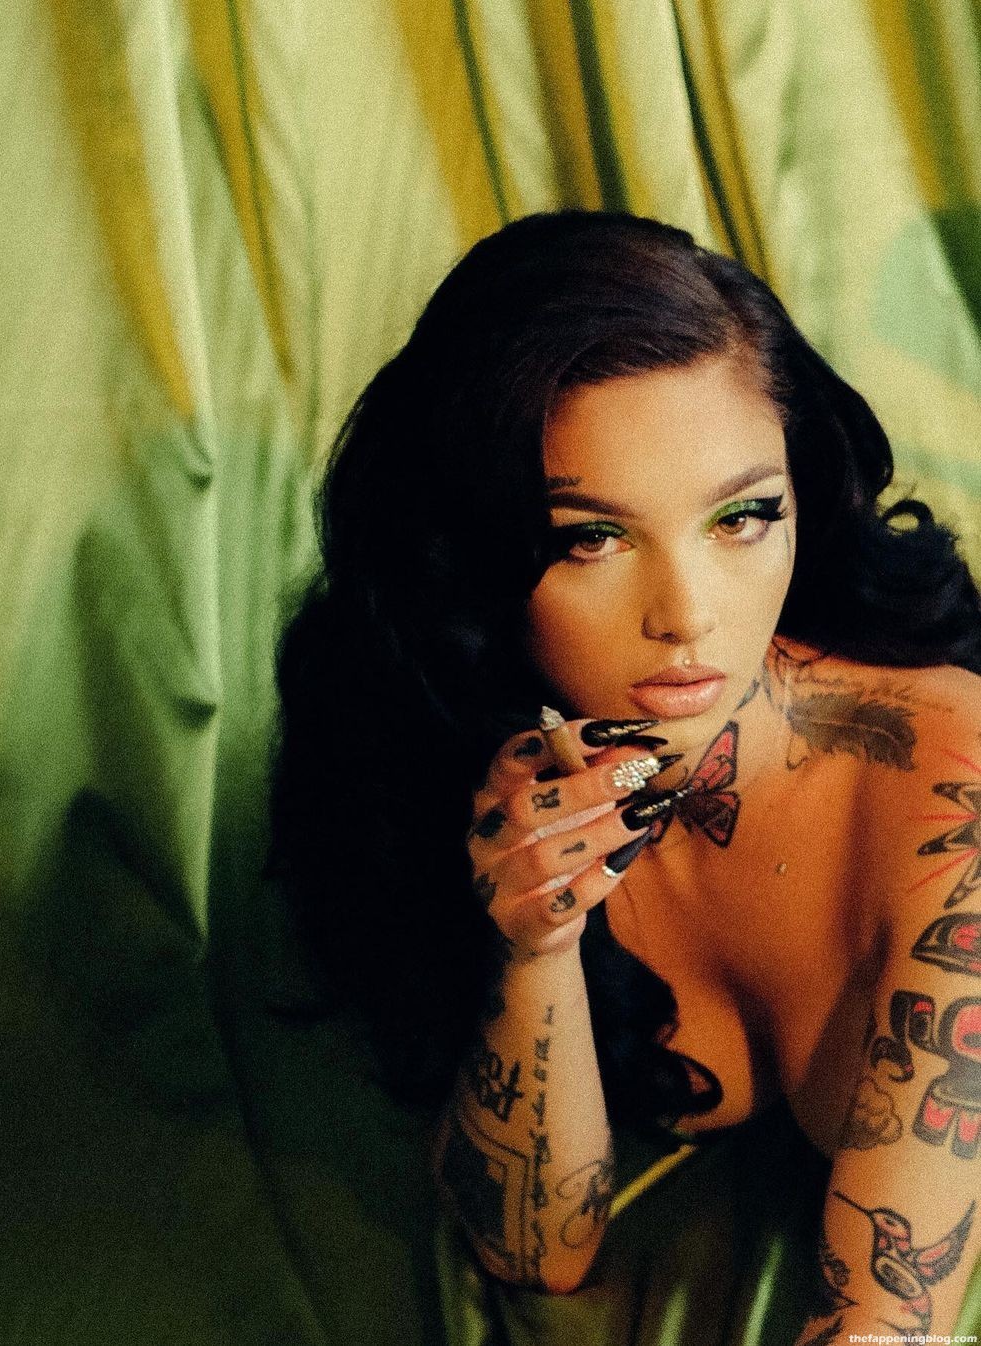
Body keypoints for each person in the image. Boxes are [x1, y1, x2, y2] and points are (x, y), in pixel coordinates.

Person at [268, 211, 981, 1343]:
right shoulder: (493, 784)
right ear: (468, 553)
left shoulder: (953, 795)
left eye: (742, 517)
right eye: (591, 538)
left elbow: (885, 1323)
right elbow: (533, 1248)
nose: (686, 615)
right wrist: (535, 947)